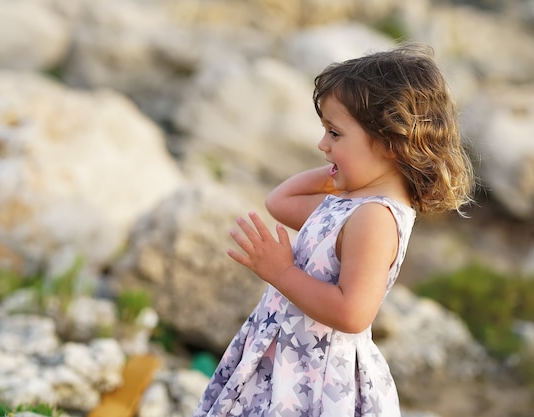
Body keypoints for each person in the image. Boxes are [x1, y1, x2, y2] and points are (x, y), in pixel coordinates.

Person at [193, 43, 475, 417]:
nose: (322, 144)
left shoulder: (375, 219)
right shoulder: (347, 205)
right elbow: (279, 201)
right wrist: (334, 176)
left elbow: (353, 312)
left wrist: (281, 272)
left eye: (335, 134)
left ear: (391, 143)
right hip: (287, 370)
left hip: (316, 384)